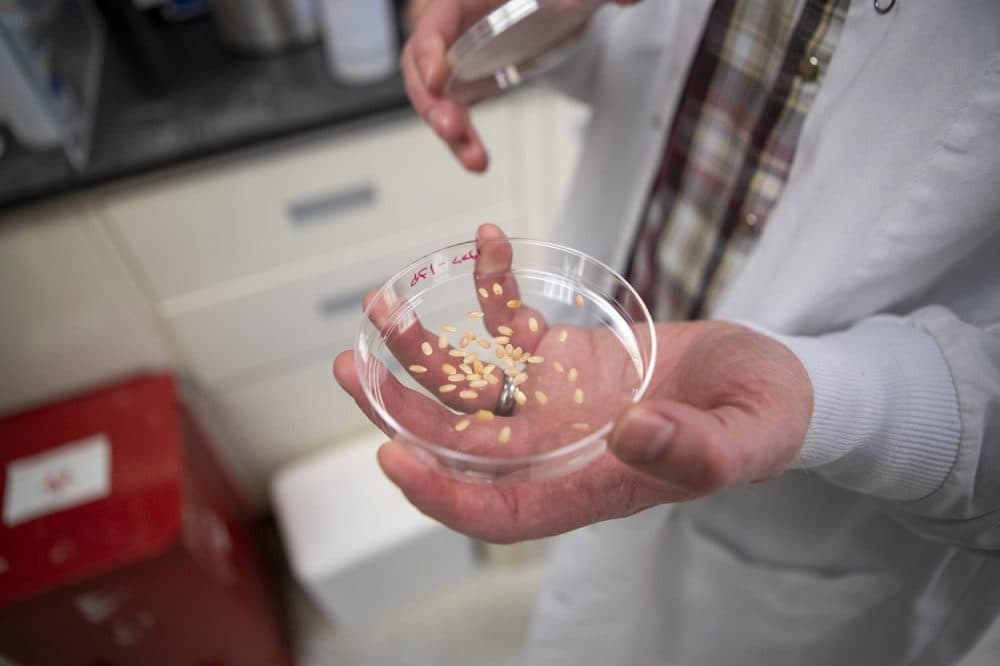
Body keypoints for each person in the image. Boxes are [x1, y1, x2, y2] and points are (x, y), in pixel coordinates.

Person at [334, 1, 1000, 663]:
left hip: (820, 500)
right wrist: (514, 26)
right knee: (595, 616)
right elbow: (623, 53)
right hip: (598, 353)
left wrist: (840, 402)